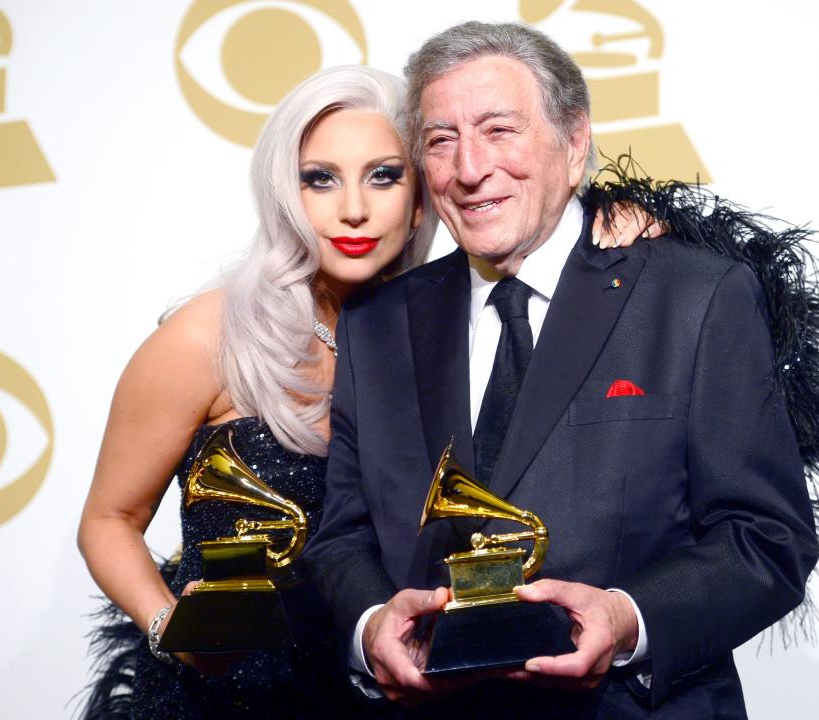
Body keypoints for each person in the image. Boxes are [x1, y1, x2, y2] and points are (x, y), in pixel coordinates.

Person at [77, 63, 659, 718]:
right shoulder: (205, 338)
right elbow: (108, 519)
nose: (353, 208)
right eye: (319, 179)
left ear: (423, 199)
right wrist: (167, 630)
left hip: (391, 694)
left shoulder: (453, 326)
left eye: (384, 176)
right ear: (283, 196)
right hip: (230, 700)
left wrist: (623, 229)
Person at [305, 22, 819, 719]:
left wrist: (626, 619)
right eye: (440, 140)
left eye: (499, 130)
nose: (469, 168)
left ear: (575, 142)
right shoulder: (376, 324)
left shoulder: (698, 297)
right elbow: (343, 535)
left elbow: (767, 538)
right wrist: (371, 627)